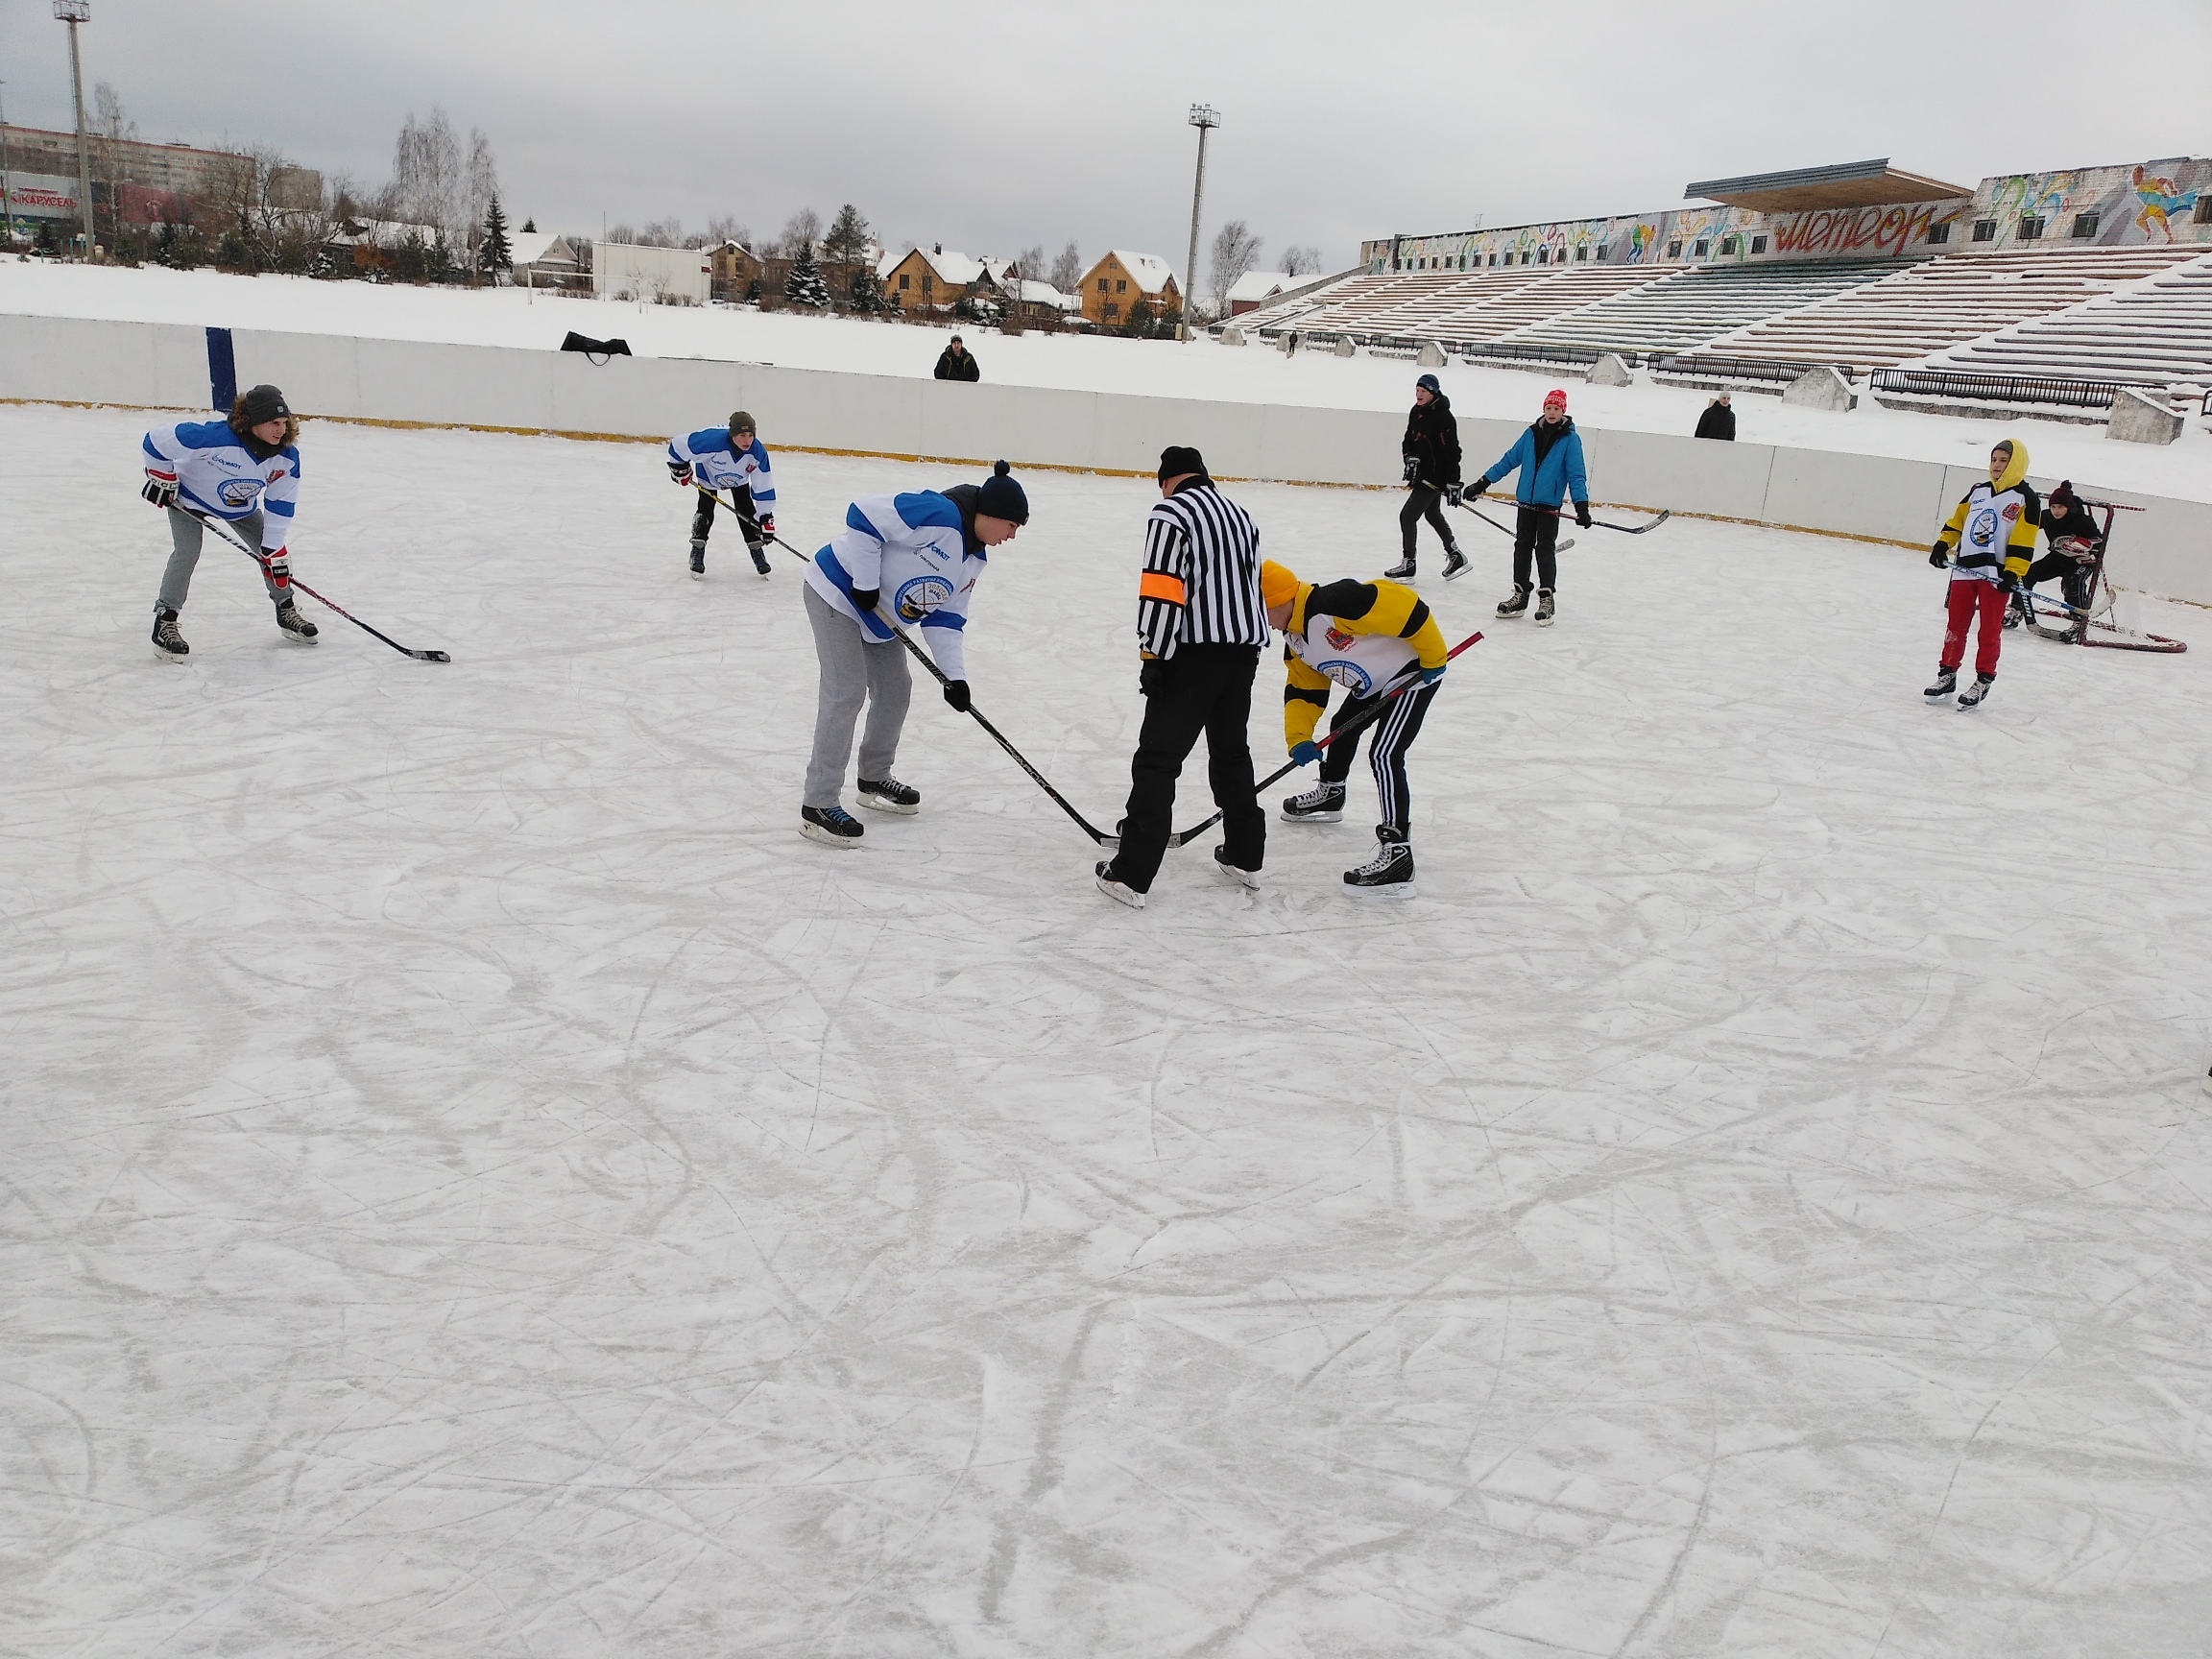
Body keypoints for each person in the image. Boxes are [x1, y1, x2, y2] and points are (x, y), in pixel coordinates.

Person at [798, 461, 1028, 845]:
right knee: (847, 692)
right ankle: (817, 804)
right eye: (1012, 525)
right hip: (837, 593)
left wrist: (955, 678)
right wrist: (866, 582)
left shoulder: (973, 560)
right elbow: (863, 514)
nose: (1012, 535)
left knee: (895, 690)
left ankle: (873, 776)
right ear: (992, 515)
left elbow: (946, 620)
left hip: (880, 617)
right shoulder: (938, 513)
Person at [1095, 445, 1269, 909]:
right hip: (1244, 651)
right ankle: (1245, 855)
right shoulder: (1240, 515)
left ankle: (1130, 874)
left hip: (1193, 655)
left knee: (1157, 761)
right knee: (1231, 754)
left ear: (1168, 480)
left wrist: (1153, 654)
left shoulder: (1171, 513)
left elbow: (1162, 585)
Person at [1262, 560, 1449, 897]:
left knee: (1386, 753)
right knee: (1341, 726)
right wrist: (1299, 737)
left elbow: (1406, 606)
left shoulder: (1332, 604)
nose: (1265, 622)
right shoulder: (1296, 637)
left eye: (1264, 611)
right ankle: (1332, 793)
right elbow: (1305, 690)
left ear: (1281, 600)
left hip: (1412, 673)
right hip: (1375, 684)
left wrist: (1434, 657)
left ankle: (1398, 851)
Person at [141, 383, 314, 659]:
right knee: (187, 552)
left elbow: (281, 501)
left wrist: (272, 547)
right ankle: (165, 621)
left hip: (240, 509)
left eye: (285, 422)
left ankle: (285, 609)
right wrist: (162, 475)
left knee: (274, 556)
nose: (281, 430)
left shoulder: (286, 458)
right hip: (189, 501)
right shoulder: (213, 437)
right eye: (273, 423)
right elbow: (155, 440)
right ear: (253, 422)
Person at [1925, 437, 2038, 709]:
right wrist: (1943, 544)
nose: (1997, 465)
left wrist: (2013, 572)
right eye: (1994, 459)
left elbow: (2025, 539)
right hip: (1965, 570)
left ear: (2016, 463)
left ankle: (1983, 679)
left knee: (1988, 631)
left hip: (1996, 576)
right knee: (1956, 625)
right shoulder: (1978, 491)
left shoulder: (2026, 498)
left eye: (2003, 460)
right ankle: (1947, 674)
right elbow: (1958, 521)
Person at [1469, 387, 1590, 627]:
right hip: (1526, 502)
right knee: (1522, 547)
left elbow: (1577, 475)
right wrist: (1482, 483)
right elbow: (1509, 460)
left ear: (1563, 411)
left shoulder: (1570, 439)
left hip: (1548, 505)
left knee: (1544, 549)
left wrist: (1581, 506)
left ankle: (1546, 598)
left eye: (1556, 408)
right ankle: (1520, 595)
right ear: (1543, 409)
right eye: (1548, 408)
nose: (1552, 412)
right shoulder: (1531, 434)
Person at [667, 410, 776, 578]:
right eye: (741, 435)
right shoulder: (711, 441)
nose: (747, 440)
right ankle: (697, 549)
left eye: (750, 435)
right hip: (709, 476)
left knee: (747, 512)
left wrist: (765, 516)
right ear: (732, 434)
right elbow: (678, 445)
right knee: (705, 510)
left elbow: (763, 484)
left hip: (739, 479)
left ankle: (756, 550)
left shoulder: (757, 451)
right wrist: (680, 468)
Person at [1388, 373, 1466, 582]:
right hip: (1423, 476)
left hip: (1435, 477)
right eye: (1417, 391)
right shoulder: (1416, 412)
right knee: (1432, 514)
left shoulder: (1444, 417)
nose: (1419, 395)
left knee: (1407, 516)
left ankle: (1409, 564)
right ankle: (1455, 555)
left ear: (1433, 393)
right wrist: (1410, 458)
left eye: (1423, 391)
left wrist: (1453, 481)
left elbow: (1452, 451)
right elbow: (1408, 440)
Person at [2008, 478, 2101, 629]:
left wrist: (2090, 553)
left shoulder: (2083, 521)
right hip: (2057, 558)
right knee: (2025, 575)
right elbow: (2028, 526)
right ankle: (2017, 610)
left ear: (2069, 507)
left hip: (2080, 561)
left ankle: (2079, 623)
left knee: (2072, 583)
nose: (2056, 511)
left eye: (2061, 507)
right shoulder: (2047, 516)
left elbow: (2098, 541)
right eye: (2053, 506)